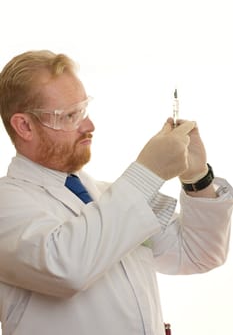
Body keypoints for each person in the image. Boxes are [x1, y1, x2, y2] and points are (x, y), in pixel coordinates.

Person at [0, 50, 232, 335]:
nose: (88, 126)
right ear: (24, 126)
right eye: (70, 115)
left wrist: (197, 178)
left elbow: (198, 254)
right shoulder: (7, 203)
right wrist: (148, 172)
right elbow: (66, 267)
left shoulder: (104, 196)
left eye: (83, 109)